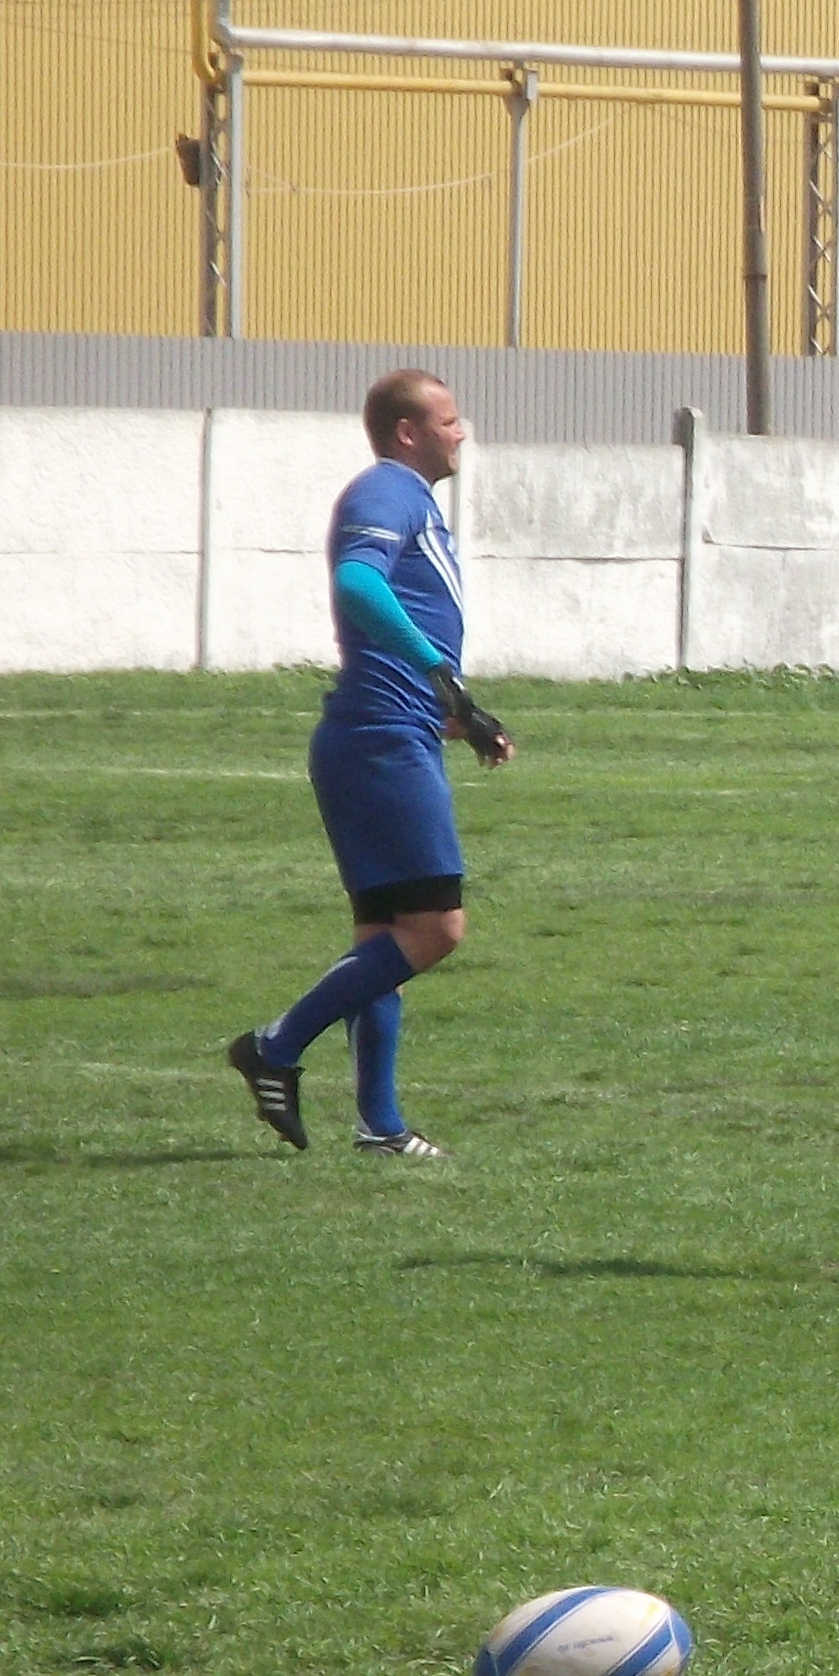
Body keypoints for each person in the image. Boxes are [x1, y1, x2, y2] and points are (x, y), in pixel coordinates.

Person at [226, 369, 512, 1159]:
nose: (463, 432)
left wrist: (456, 710)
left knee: (382, 936)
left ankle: (379, 1125)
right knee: (436, 928)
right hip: (381, 740)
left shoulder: (411, 501)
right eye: (449, 420)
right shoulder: (387, 491)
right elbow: (357, 583)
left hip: (382, 733)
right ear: (407, 432)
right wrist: (436, 674)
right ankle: (276, 1046)